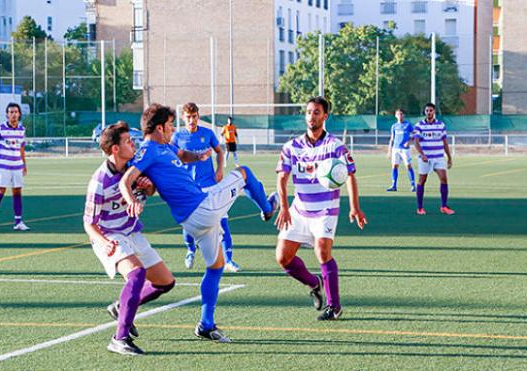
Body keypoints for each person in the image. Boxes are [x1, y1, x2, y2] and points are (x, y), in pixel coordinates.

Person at [120, 103, 277, 343]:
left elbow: (181, 156)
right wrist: (132, 197)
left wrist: (199, 156)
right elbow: (126, 180)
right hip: (203, 208)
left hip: (193, 221)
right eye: (171, 125)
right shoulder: (149, 150)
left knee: (216, 266)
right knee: (244, 172)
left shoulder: (165, 147)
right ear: (160, 127)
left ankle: (206, 324)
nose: (174, 129)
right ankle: (267, 209)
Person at [84, 121, 175, 356]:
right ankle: (119, 338)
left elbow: (149, 190)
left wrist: (148, 187)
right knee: (136, 274)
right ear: (115, 149)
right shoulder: (99, 181)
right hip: (109, 235)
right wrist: (104, 242)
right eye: (127, 141)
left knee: (165, 282)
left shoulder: (133, 167)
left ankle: (120, 307)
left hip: (132, 232)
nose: (132, 143)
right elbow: (88, 223)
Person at [275, 97, 367, 321]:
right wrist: (285, 208)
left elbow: (350, 175)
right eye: (308, 112)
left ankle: (334, 306)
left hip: (326, 209)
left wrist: (355, 207)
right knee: (283, 258)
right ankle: (314, 283)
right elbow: (281, 179)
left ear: (325, 116)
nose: (311, 116)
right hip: (299, 209)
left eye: (316, 112)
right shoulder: (291, 146)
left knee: (322, 251)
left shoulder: (335, 146)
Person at [171, 103, 241, 272]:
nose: (191, 120)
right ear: (183, 118)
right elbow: (172, 159)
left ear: (198, 116)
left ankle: (229, 261)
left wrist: (219, 169)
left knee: (222, 222)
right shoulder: (178, 137)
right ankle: (190, 250)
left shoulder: (207, 134)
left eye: (194, 116)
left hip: (210, 186)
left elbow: (219, 151)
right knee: (188, 226)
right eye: (188, 117)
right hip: (190, 189)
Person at [0, 103, 30, 231]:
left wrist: (24, 164)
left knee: (17, 192)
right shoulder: (0, 129)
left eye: (16, 112)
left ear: (19, 114)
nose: (13, 114)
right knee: (0, 191)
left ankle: (18, 222)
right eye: (11, 112)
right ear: (7, 114)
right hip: (4, 166)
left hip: (17, 166)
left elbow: (22, 148)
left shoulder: (22, 130)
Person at [414, 102, 455, 215]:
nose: (429, 112)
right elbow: (416, 142)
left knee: (444, 179)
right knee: (422, 180)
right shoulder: (419, 125)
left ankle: (444, 206)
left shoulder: (441, 125)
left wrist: (449, 157)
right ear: (425, 112)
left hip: (438, 157)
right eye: (427, 111)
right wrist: (422, 154)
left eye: (431, 110)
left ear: (434, 112)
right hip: (425, 158)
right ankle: (420, 207)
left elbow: (445, 142)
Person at [387, 108, 416, 192]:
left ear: (404, 115)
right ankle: (394, 185)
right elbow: (392, 138)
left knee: (408, 166)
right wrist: (389, 150)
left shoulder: (407, 125)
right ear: (396, 116)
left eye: (401, 114)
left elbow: (415, 133)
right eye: (398, 114)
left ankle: (413, 185)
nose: (400, 116)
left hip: (405, 150)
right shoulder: (394, 126)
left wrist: (409, 141)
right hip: (395, 149)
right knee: (394, 166)